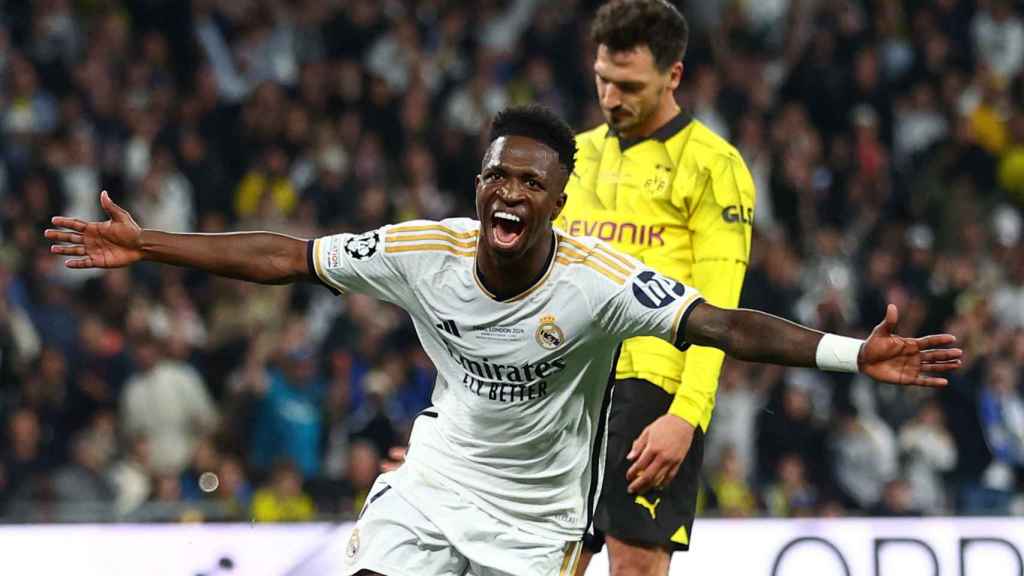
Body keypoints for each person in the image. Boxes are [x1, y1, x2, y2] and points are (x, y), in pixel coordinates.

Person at [46, 105, 961, 576]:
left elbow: (719, 324)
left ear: (557, 201)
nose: (509, 194)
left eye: (530, 182)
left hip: (539, 523)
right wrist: (146, 244)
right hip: (435, 483)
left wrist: (851, 354)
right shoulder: (421, 252)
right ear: (478, 185)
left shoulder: (599, 283)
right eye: (496, 177)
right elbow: (285, 256)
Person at [557, 2, 754, 574]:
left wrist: (686, 417)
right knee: (545, 562)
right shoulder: (574, 156)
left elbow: (720, 311)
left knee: (635, 566)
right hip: (566, 384)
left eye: (628, 85)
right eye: (602, 81)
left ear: (674, 75)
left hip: (653, 389)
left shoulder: (714, 166)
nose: (611, 98)